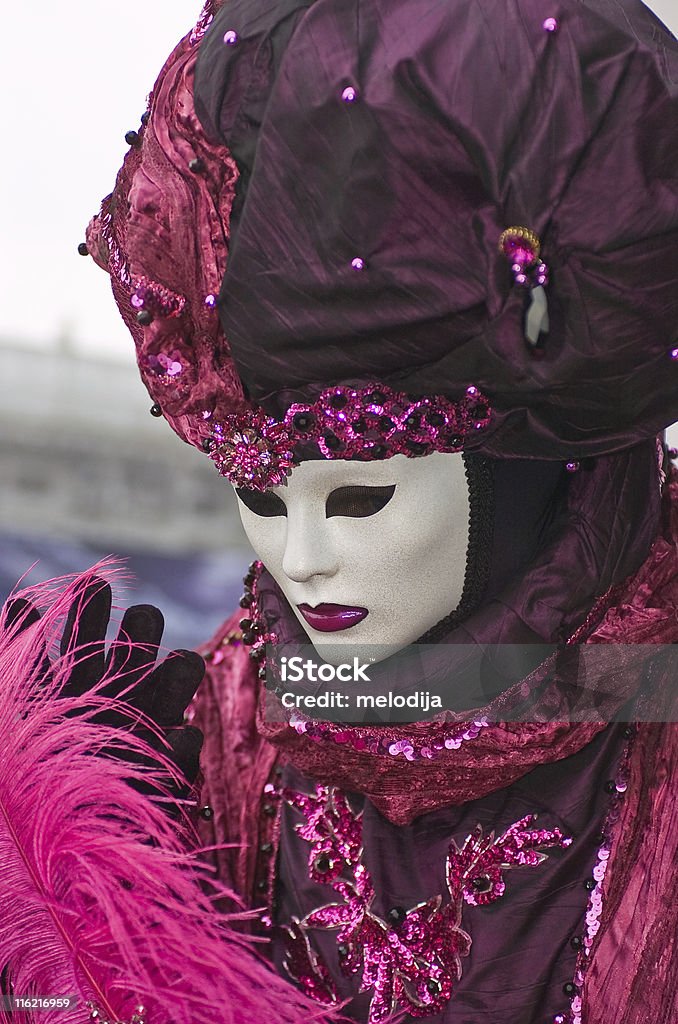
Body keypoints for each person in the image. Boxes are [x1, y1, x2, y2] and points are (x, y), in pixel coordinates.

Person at [81, 0, 678, 1021]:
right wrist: (103, 857)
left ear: (528, 470)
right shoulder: (238, 704)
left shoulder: (650, 711)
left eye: (361, 497)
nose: (301, 562)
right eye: (260, 497)